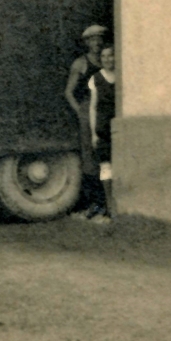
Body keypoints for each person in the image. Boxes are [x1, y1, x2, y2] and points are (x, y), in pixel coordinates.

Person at [64, 24, 108, 212]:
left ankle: (106, 201)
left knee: (105, 153)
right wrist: (81, 112)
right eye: (93, 40)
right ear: (87, 43)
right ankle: (94, 201)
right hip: (88, 110)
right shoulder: (80, 63)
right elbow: (68, 92)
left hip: (105, 110)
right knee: (90, 155)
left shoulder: (108, 60)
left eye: (100, 39)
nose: (97, 43)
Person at [87, 44, 117, 221]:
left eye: (110, 55)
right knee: (106, 166)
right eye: (104, 56)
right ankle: (110, 206)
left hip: (118, 125)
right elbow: (93, 107)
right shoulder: (96, 78)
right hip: (103, 126)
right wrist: (93, 133)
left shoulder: (121, 76)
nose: (107, 59)